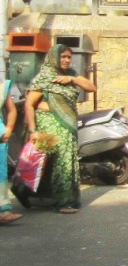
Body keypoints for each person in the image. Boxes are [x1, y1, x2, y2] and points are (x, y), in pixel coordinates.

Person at [24, 44, 97, 214]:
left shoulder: (70, 74)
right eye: (62, 57)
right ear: (53, 58)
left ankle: (49, 198)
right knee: (60, 162)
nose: (66, 60)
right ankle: (63, 202)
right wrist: (33, 130)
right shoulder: (45, 77)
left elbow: (92, 88)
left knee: (66, 160)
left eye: (68, 57)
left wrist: (73, 79)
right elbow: (29, 104)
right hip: (50, 123)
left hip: (67, 125)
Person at [0, 78, 22, 224]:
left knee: (1, 174)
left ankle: (3, 210)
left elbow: (12, 110)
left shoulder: (2, 86)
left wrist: (8, 128)